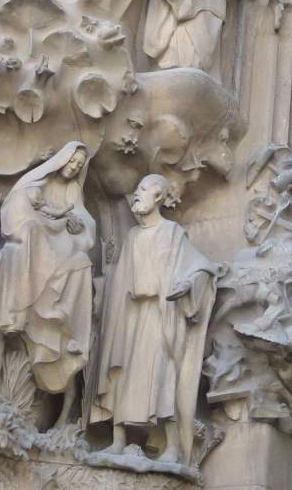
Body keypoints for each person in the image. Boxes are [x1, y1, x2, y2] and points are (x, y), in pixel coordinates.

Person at [92, 174, 220, 465]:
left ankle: (172, 446)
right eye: (137, 189)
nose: (137, 194)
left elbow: (203, 268)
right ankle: (118, 440)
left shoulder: (173, 233)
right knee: (122, 372)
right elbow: (122, 277)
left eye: (143, 189)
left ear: (159, 196)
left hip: (161, 315)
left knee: (164, 376)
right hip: (131, 316)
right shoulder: (132, 236)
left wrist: (188, 284)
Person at [0, 142, 94, 411]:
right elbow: (17, 215)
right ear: (62, 159)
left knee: (81, 263)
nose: (74, 168)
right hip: (34, 246)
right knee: (32, 235)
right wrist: (47, 223)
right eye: (72, 161)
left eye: (79, 165)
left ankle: (65, 329)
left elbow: (83, 222)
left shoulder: (73, 190)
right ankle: (22, 313)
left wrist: (77, 224)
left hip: (59, 245)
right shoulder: (36, 183)